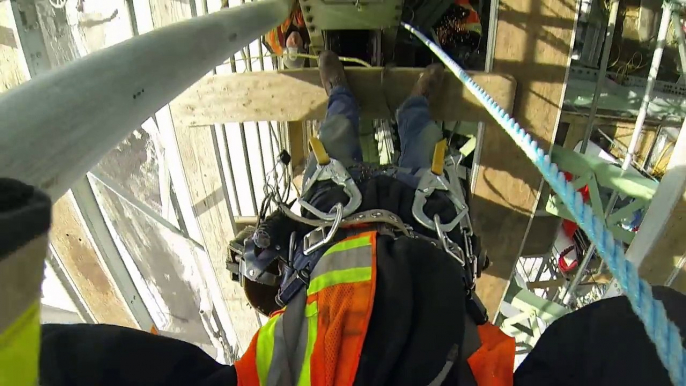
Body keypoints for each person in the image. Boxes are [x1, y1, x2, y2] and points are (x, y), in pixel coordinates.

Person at [36, 52, 686, 386]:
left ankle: (342, 85)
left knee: (340, 139)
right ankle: (411, 99)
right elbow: (636, 351)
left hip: (336, 233)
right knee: (420, 149)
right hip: (421, 239)